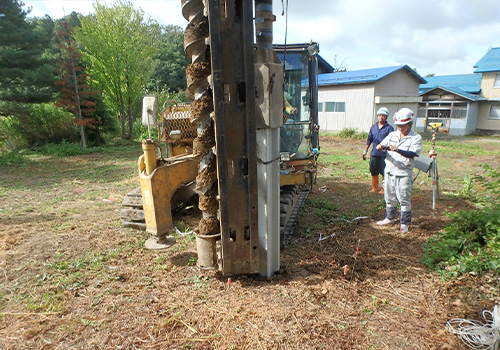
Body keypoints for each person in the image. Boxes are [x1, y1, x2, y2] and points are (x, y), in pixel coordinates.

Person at [375, 107, 422, 233]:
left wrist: (397, 150)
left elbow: (412, 154)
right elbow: (383, 144)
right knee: (389, 196)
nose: (400, 127)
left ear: (410, 124)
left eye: (403, 125)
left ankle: (404, 223)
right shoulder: (393, 135)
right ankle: (390, 217)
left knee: (403, 197)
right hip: (390, 169)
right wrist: (380, 147)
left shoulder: (416, 138)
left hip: (403, 172)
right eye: (399, 125)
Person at [363, 107, 394, 194]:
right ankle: (374, 188)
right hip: (374, 153)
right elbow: (369, 139)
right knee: (373, 170)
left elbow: (391, 141)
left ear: (386, 117)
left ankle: (384, 189)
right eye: (380, 115)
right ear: (377, 116)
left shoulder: (389, 128)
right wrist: (366, 150)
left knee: (384, 172)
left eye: (383, 116)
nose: (381, 117)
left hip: (384, 154)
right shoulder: (373, 127)